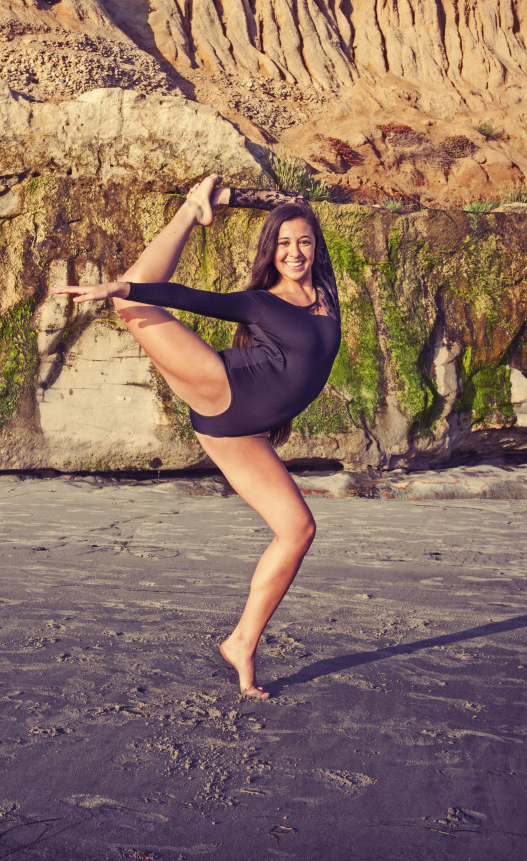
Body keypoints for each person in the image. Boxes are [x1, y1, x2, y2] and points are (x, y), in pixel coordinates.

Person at [51, 174, 341, 698]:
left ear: (316, 246)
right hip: (224, 388)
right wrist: (124, 288)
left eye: (302, 242)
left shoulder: (326, 293)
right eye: (282, 244)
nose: (293, 252)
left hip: (239, 431)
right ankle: (186, 214)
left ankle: (241, 644)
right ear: (270, 253)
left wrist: (226, 198)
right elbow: (189, 296)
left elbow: (293, 202)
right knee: (131, 307)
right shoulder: (262, 303)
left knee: (298, 530)